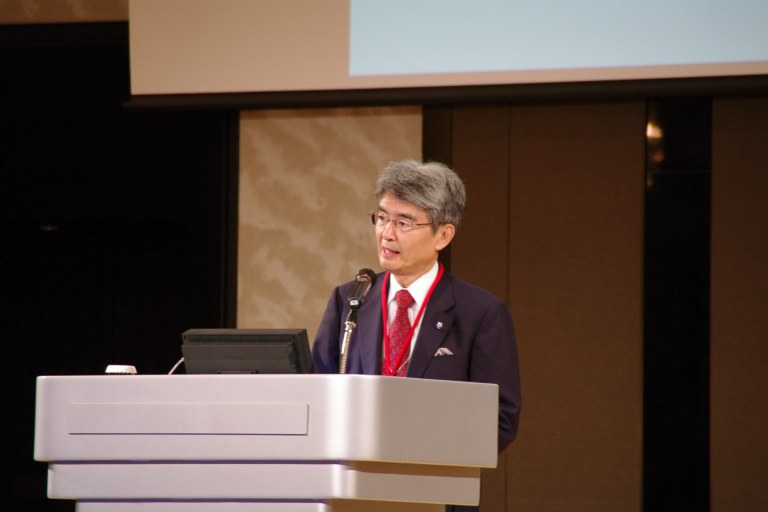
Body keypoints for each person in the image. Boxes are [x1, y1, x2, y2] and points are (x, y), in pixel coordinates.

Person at [312, 159, 521, 511]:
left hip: (436, 493)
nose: (387, 233)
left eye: (404, 222)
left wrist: (421, 462)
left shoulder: (479, 312)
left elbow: (500, 417)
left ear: (443, 235)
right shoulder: (350, 301)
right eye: (382, 217)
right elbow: (319, 393)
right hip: (353, 491)